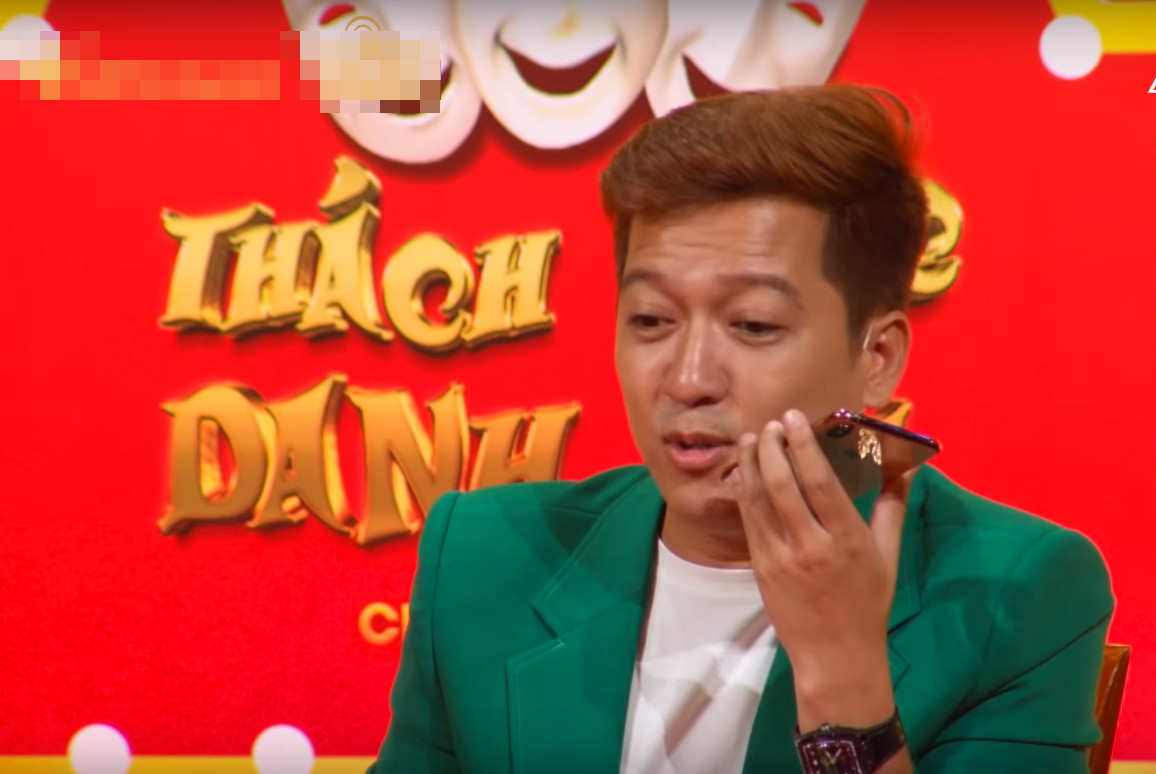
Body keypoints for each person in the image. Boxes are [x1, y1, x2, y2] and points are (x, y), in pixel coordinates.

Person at [368, 84, 1115, 774]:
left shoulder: (1012, 592)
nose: (688, 378)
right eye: (651, 320)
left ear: (877, 357)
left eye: (753, 324)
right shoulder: (484, 555)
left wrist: (841, 672)